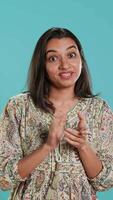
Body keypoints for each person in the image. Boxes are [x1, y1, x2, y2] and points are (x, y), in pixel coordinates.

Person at [0, 27, 113, 200]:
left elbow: (106, 182)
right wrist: (47, 146)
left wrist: (83, 146)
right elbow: (3, 179)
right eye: (53, 58)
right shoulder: (18, 107)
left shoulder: (99, 110)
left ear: (81, 59)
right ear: (42, 64)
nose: (65, 65)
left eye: (71, 55)